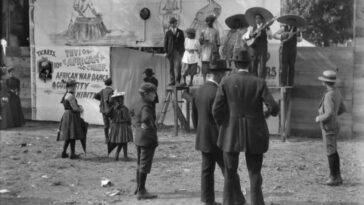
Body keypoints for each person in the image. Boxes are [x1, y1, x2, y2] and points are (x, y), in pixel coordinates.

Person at [212, 50, 279, 205]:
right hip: (255, 132)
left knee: (229, 172)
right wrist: (265, 114)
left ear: (235, 64)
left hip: (230, 132)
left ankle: (229, 202)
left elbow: (216, 110)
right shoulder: (259, 82)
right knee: (254, 173)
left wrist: (223, 124)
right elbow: (274, 108)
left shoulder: (226, 82)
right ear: (249, 63)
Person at [192, 59, 231, 205]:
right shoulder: (217, 92)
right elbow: (221, 117)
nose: (224, 77)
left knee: (207, 170)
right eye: (223, 74)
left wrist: (199, 131)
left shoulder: (199, 90)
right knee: (228, 170)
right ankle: (234, 197)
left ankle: (208, 200)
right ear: (219, 75)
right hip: (217, 138)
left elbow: (194, 116)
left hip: (203, 137)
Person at [315, 70, 346, 186]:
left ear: (325, 82)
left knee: (330, 151)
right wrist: (333, 115)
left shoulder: (328, 95)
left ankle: (334, 177)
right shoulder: (336, 92)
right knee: (333, 150)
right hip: (335, 125)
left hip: (329, 127)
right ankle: (336, 175)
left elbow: (328, 113)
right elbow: (343, 108)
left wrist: (319, 118)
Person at [133, 82, 158, 200]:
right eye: (153, 93)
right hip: (147, 138)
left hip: (138, 137)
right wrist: (151, 125)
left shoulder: (138, 102)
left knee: (139, 163)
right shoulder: (147, 105)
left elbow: (133, 116)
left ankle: (138, 187)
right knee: (144, 165)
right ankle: (142, 191)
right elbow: (146, 118)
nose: (155, 95)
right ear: (146, 94)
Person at [57, 79, 85, 159]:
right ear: (71, 87)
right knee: (72, 135)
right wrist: (81, 108)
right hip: (71, 116)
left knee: (69, 136)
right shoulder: (71, 96)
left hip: (66, 115)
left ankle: (64, 152)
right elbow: (75, 108)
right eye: (74, 86)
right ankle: (72, 154)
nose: (75, 87)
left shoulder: (66, 95)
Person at [243, 11, 274, 79]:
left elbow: (270, 37)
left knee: (263, 65)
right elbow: (244, 37)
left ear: (262, 19)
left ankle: (262, 81)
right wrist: (250, 35)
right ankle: (254, 80)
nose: (257, 19)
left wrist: (268, 29)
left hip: (263, 47)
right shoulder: (252, 27)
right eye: (256, 18)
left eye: (259, 18)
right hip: (254, 48)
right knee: (254, 64)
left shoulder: (266, 27)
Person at [108, 91, 133, 161]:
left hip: (115, 126)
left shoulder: (113, 107)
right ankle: (124, 156)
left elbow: (111, 117)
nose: (123, 99)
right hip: (122, 126)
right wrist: (130, 119)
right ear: (120, 99)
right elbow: (127, 118)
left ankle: (118, 155)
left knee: (121, 142)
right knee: (124, 142)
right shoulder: (123, 108)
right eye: (122, 98)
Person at [164, 17, 185, 86]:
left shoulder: (180, 32)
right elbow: (165, 43)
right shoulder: (168, 33)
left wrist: (182, 51)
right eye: (172, 23)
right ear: (170, 24)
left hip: (178, 51)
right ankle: (172, 81)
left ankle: (177, 81)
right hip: (170, 52)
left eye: (175, 23)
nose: (174, 24)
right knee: (171, 67)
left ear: (176, 23)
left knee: (178, 66)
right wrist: (166, 52)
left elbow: (182, 42)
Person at [200, 15, 220, 83]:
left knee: (213, 66)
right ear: (206, 22)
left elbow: (218, 42)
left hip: (213, 50)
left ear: (212, 22)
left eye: (211, 21)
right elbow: (201, 42)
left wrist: (216, 51)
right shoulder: (203, 31)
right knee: (205, 66)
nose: (209, 22)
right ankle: (204, 81)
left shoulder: (216, 31)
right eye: (208, 21)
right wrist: (202, 40)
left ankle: (213, 81)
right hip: (205, 50)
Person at [94, 78, 114, 143]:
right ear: (111, 83)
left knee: (106, 125)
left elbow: (95, 96)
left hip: (103, 110)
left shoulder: (102, 91)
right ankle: (112, 138)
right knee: (112, 124)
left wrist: (102, 100)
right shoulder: (112, 91)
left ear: (105, 84)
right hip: (110, 110)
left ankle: (106, 138)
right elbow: (111, 100)